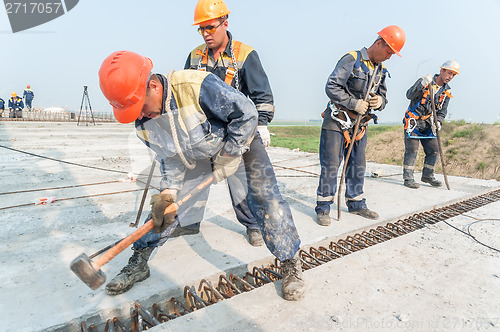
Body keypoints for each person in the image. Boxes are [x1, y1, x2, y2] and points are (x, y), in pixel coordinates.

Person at [98, 50, 305, 301]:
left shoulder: (196, 86)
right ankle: (139, 262)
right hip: (197, 151)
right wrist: (169, 191)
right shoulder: (144, 121)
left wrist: (229, 155)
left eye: (139, 107)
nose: (139, 116)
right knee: (163, 211)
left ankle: (290, 260)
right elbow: (170, 157)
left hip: (240, 140)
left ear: (153, 86)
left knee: (265, 198)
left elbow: (247, 114)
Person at [180, 0, 275, 246]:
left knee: (240, 179)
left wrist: (262, 123)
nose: (205, 34)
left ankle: (253, 225)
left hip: (236, 131)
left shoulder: (245, 54)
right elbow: (184, 94)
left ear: (225, 23)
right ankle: (189, 222)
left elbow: (261, 94)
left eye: (210, 27)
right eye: (201, 29)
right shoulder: (194, 56)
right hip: (204, 130)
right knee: (193, 176)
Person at [315, 25, 405, 226]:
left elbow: (383, 96)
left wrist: (379, 102)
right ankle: (323, 207)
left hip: (360, 125)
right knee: (331, 166)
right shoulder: (352, 59)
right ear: (379, 43)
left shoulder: (380, 70)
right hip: (337, 121)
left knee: (357, 165)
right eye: (388, 52)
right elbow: (332, 86)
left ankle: (356, 203)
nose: (389, 57)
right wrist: (353, 103)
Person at [402, 60, 460, 189]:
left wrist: (438, 122)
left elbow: (442, 111)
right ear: (441, 71)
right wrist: (421, 86)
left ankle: (427, 175)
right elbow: (409, 95)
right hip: (413, 120)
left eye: (453, 75)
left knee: (434, 150)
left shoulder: (446, 92)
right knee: (412, 150)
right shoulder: (425, 81)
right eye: (449, 73)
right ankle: (408, 178)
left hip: (428, 123)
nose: (450, 77)